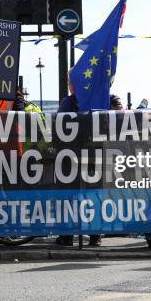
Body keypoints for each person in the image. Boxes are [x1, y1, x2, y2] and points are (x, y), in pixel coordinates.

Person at [55, 77, 102, 247]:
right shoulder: (99, 99)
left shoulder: (68, 103)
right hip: (94, 156)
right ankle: (94, 236)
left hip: (72, 156)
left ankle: (67, 236)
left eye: (70, 82)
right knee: (92, 197)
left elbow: (59, 127)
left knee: (70, 197)